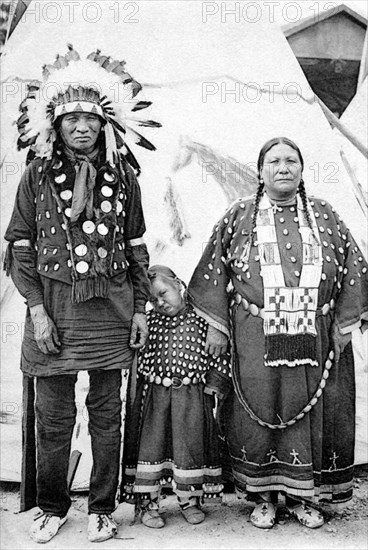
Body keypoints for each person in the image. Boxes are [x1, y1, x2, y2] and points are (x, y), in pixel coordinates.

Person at [3, 46, 160, 543]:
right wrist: (36, 310)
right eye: (71, 119)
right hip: (53, 311)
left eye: (89, 119)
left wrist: (139, 308)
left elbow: (137, 248)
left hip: (111, 312)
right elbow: (18, 250)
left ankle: (102, 507)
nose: (81, 127)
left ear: (104, 124)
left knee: (106, 414)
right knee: (53, 416)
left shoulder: (125, 178)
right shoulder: (35, 177)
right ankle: (52, 505)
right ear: (55, 125)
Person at [187, 137, 368, 529]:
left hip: (316, 335)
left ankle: (305, 497)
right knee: (260, 411)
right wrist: (218, 326)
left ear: (302, 169)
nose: (283, 167)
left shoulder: (325, 215)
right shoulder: (239, 216)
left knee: (310, 411)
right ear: (260, 170)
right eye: (274, 161)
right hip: (254, 334)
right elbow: (211, 272)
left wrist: (344, 322)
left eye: (291, 161)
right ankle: (263, 496)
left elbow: (355, 268)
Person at [120, 265, 231, 528]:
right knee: (152, 448)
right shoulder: (149, 322)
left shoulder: (204, 320)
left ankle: (189, 500)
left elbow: (222, 355)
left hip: (192, 397)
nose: (159, 302)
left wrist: (214, 385)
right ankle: (147, 504)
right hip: (155, 399)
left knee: (190, 448)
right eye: (152, 299)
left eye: (163, 293)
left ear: (178, 285)